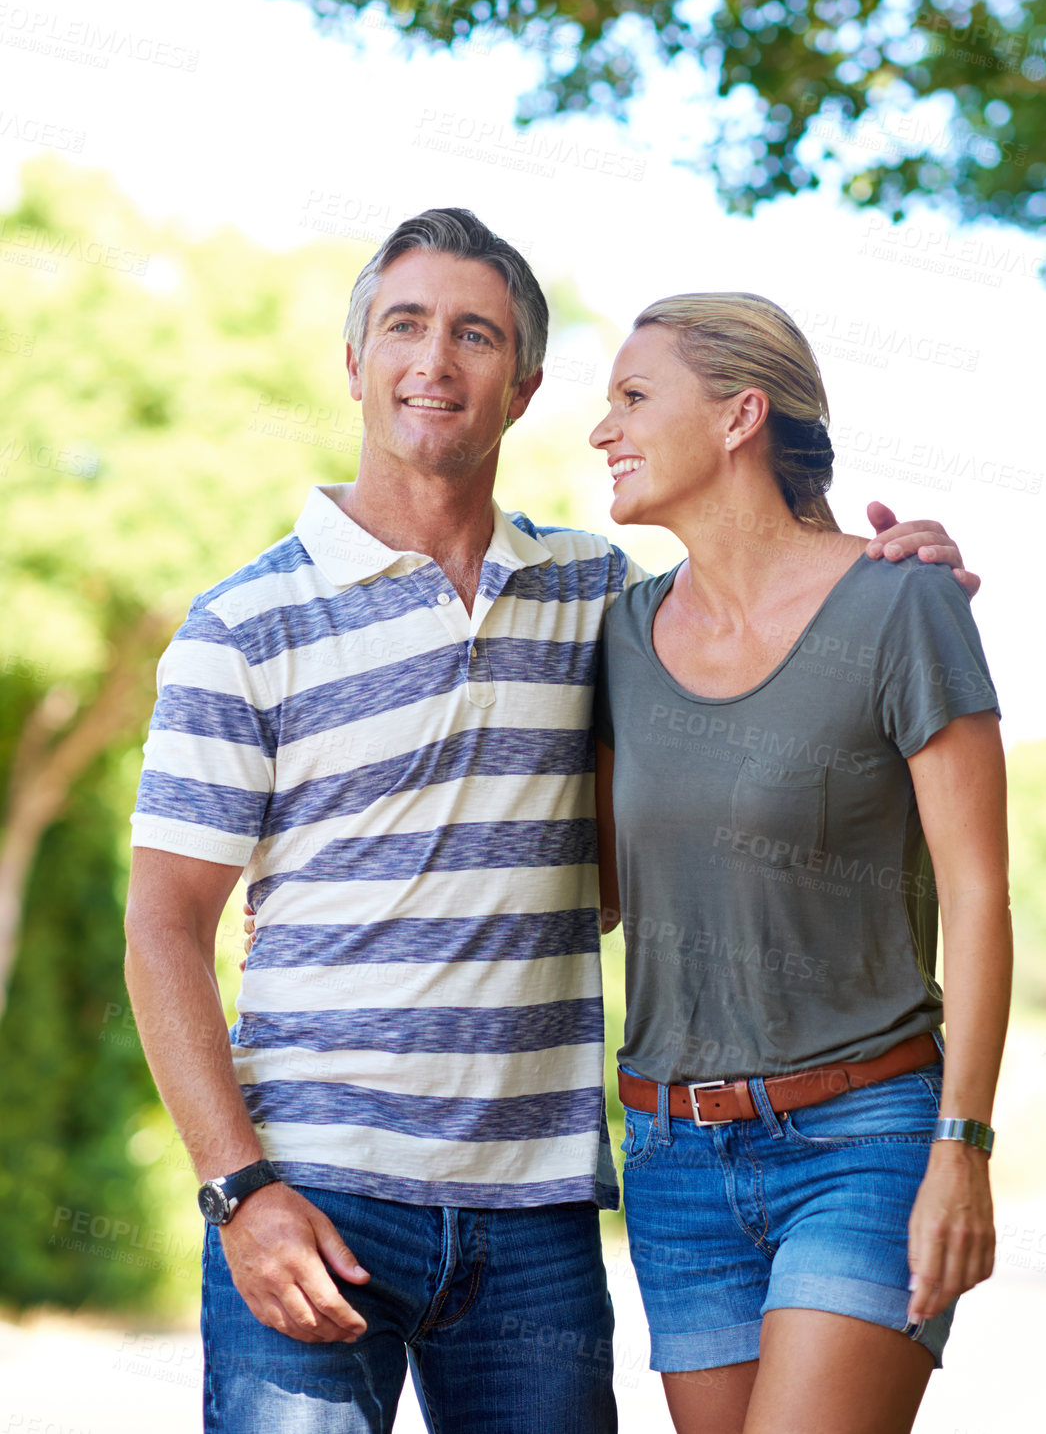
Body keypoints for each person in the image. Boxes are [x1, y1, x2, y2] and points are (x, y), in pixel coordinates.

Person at [125, 209, 980, 1434]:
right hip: (313, 1192)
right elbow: (161, 926)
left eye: (475, 334)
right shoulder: (240, 625)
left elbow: (736, 669)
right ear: (354, 361)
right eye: (404, 325)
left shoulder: (605, 601)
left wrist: (895, 570)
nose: (435, 359)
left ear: (521, 386)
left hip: (536, 1213)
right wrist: (238, 1187)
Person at [589, 292, 1010, 1434]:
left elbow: (977, 894)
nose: (600, 429)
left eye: (633, 396)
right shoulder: (618, 635)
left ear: (739, 417)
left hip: (864, 1141)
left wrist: (962, 1145)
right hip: (672, 1159)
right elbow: (606, 890)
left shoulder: (904, 602)